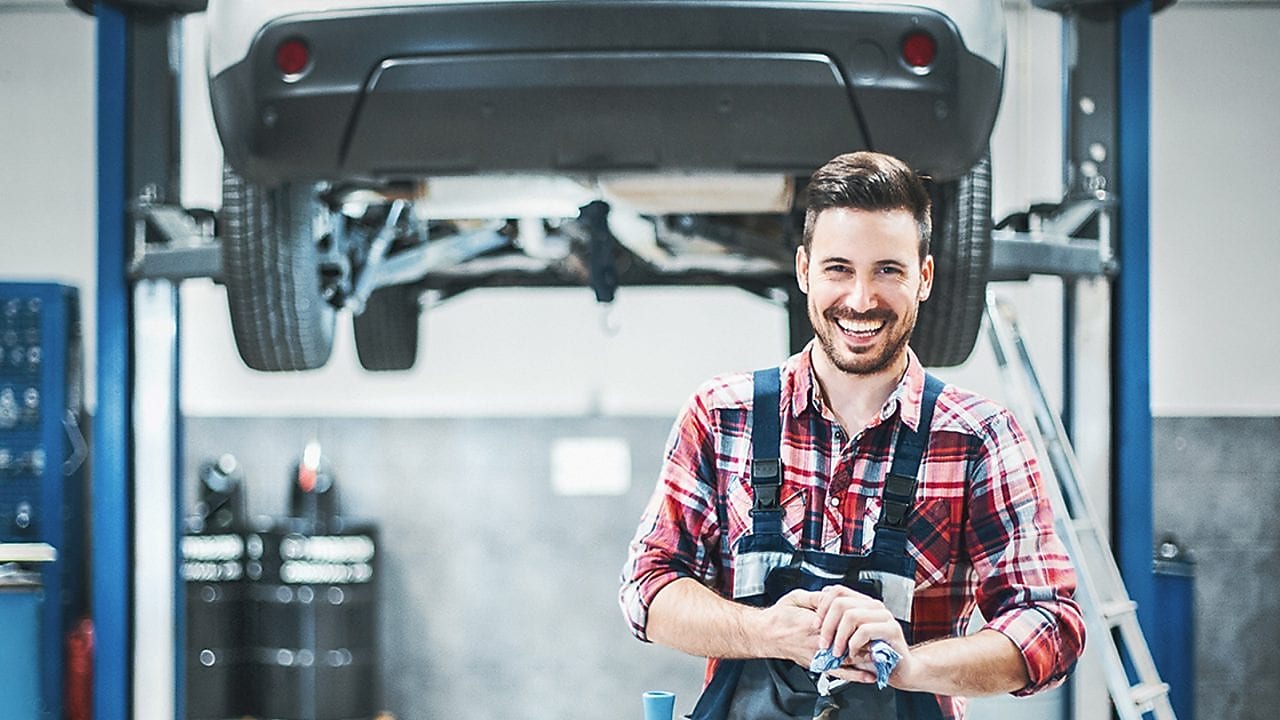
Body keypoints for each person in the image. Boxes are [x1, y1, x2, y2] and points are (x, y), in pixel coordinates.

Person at [619, 151, 1085, 720]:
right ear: (804, 271)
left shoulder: (979, 437)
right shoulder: (722, 416)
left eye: (888, 269)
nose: (861, 300)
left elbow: (1052, 624)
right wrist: (765, 630)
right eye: (839, 268)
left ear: (925, 278)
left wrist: (907, 664)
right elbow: (647, 588)